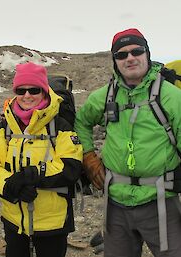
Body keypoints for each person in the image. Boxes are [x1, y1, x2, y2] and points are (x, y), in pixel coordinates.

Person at [74, 28, 181, 257]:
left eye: (136, 51)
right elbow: (81, 123)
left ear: (147, 54)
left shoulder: (172, 97)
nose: (130, 58)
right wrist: (89, 157)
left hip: (160, 201)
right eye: (121, 55)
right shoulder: (104, 96)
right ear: (114, 61)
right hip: (116, 204)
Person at [0, 62, 83, 257]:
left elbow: (70, 167)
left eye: (34, 90)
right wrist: (10, 184)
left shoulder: (60, 127)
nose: (27, 95)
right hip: (13, 221)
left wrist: (33, 175)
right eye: (21, 90)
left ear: (44, 91)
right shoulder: (5, 128)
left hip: (52, 222)